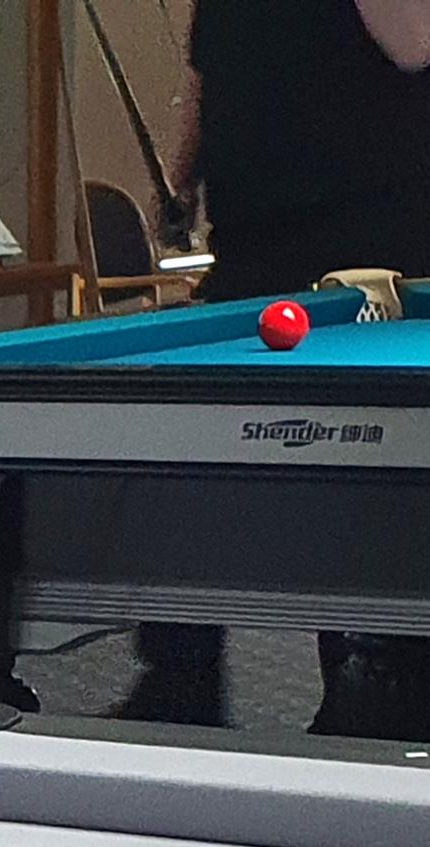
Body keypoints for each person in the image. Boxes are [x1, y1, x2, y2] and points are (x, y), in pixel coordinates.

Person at [119, 0, 430, 735]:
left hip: (371, 265)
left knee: (362, 469)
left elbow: (414, 44)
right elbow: (207, 81)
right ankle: (179, 677)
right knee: (187, 454)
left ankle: (377, 673)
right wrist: (181, 178)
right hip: (251, 258)